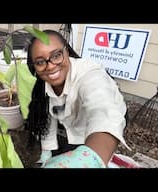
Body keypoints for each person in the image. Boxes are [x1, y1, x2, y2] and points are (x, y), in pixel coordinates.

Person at [25, 29, 130, 168]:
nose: (50, 66)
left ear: (66, 51)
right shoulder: (42, 86)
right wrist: (47, 151)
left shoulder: (89, 74)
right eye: (40, 62)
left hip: (96, 123)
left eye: (56, 55)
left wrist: (89, 159)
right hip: (71, 122)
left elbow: (104, 111)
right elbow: (48, 115)